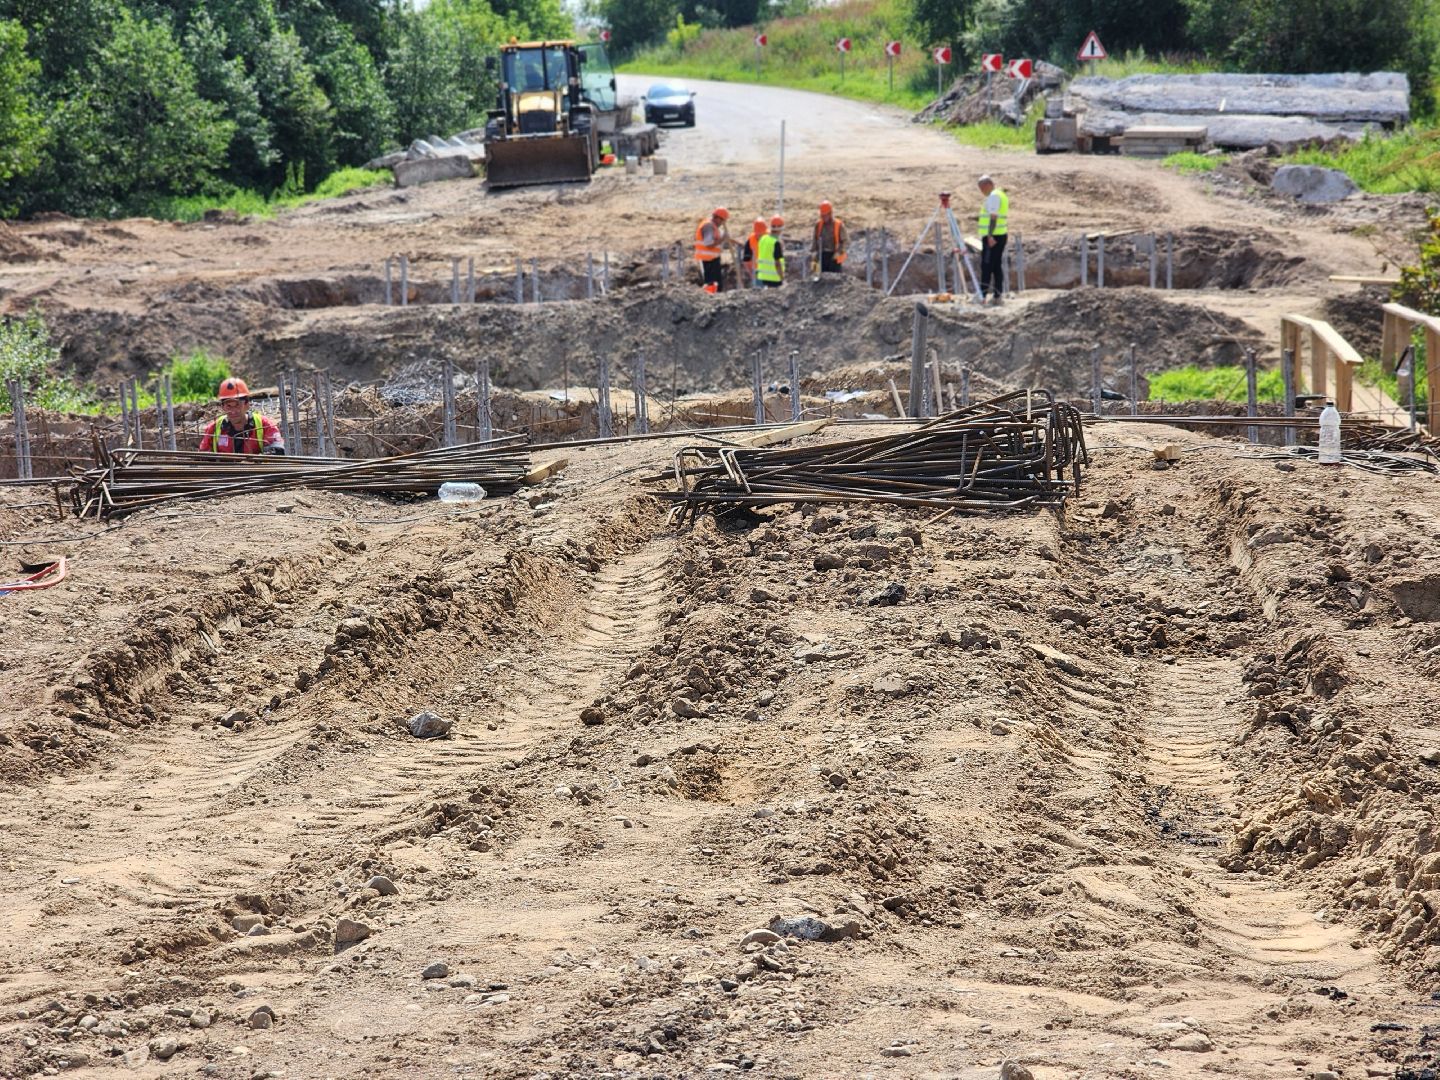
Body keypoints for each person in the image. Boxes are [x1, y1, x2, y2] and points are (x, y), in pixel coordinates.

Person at [199, 377, 286, 455]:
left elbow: (277, 450)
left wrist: (255, 462)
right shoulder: (213, 429)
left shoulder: (265, 425)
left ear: (247, 404)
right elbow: (203, 456)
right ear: (223, 407)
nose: (233, 411)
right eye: (228, 406)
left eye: (237, 405)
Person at [977, 174, 1009, 305]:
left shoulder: (994, 196)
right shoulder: (1000, 194)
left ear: (988, 185)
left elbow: (994, 217)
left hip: (993, 237)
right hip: (999, 235)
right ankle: (997, 295)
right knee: (995, 267)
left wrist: (989, 236)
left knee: (987, 266)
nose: (981, 191)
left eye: (982, 188)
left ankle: (982, 296)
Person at [694, 206, 731, 294]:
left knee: (717, 284)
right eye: (722, 220)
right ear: (717, 218)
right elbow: (709, 244)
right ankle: (711, 299)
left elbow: (716, 239)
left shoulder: (713, 227)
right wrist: (722, 239)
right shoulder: (708, 226)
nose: (722, 223)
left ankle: (716, 297)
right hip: (708, 260)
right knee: (711, 284)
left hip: (713, 259)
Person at [810, 200, 848, 274]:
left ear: (830, 213)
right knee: (818, 279)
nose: (823, 218)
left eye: (825, 215)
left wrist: (839, 252)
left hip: (834, 257)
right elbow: (815, 239)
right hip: (821, 255)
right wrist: (813, 252)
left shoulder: (838, 225)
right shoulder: (818, 225)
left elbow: (845, 241)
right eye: (822, 215)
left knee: (834, 280)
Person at [757, 215, 786, 288]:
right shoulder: (776, 243)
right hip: (774, 278)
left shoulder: (763, 239)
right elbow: (777, 264)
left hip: (762, 277)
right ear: (780, 229)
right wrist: (782, 279)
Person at [741, 217, 768, 286]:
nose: (762, 236)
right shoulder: (750, 241)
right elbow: (746, 260)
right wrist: (751, 274)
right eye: (760, 234)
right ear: (756, 233)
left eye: (763, 234)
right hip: (757, 271)